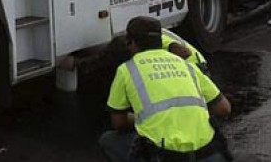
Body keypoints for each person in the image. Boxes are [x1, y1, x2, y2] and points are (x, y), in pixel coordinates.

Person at [99, 17, 231, 162]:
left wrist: (146, 116)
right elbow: (224, 108)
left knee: (108, 140)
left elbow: (118, 122)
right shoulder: (186, 64)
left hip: (166, 157)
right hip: (207, 155)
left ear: (131, 43)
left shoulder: (127, 70)